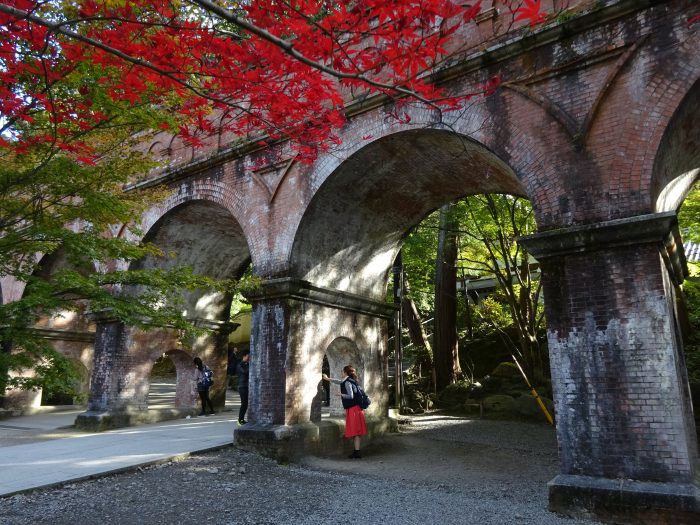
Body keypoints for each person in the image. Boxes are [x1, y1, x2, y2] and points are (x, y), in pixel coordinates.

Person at [323, 365, 367, 459]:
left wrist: (341, 394)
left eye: (342, 371)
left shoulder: (347, 382)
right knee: (357, 433)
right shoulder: (351, 381)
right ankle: (357, 452)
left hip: (353, 410)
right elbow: (340, 382)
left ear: (345, 372)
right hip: (358, 409)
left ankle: (357, 453)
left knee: (355, 432)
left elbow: (350, 396)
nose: (341, 373)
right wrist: (328, 379)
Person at [236, 349, 250, 425]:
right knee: (244, 404)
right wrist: (250, 365)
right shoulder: (240, 365)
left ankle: (242, 419)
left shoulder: (247, 364)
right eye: (248, 356)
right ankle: (240, 420)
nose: (249, 358)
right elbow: (244, 372)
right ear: (244, 356)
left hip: (246, 386)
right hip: (242, 387)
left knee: (246, 404)